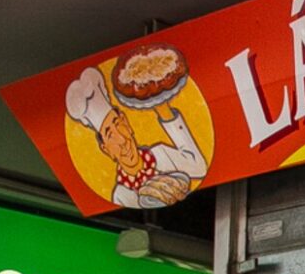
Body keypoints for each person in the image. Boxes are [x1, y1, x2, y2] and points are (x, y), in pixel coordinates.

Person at [64, 66, 207, 208]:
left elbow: (199, 167)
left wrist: (164, 110)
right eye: (110, 134)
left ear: (127, 124)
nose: (122, 140)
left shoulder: (161, 154)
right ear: (106, 149)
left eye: (118, 124)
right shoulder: (120, 196)